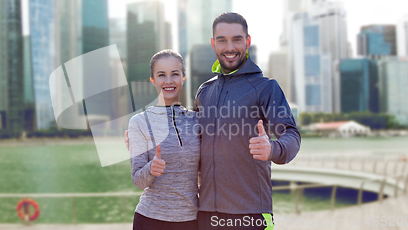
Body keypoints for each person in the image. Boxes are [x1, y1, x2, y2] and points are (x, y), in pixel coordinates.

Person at [127, 13, 301, 230]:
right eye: (222, 40)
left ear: (247, 41)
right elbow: (193, 139)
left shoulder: (266, 88)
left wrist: (273, 148)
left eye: (237, 39)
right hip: (206, 214)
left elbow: (292, 135)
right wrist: (142, 142)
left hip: (250, 212)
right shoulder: (205, 91)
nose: (230, 47)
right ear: (213, 44)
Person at [128, 50, 200, 230]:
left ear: (183, 77)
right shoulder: (139, 122)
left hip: (192, 219)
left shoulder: (197, 120)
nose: (168, 81)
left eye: (175, 74)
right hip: (150, 219)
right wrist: (151, 168)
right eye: (161, 75)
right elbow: (138, 181)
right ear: (152, 80)